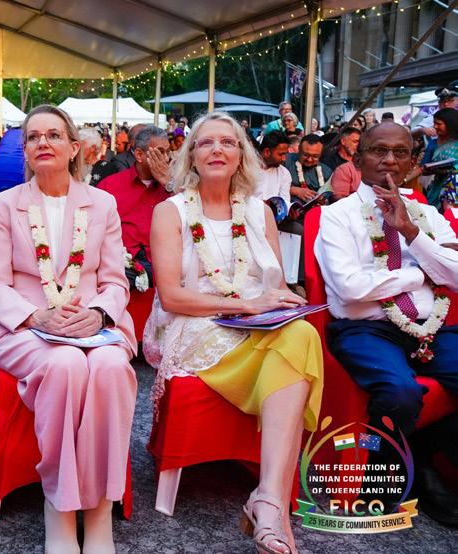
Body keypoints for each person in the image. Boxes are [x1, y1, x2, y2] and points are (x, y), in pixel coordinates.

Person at [145, 111, 323, 554]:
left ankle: (268, 500)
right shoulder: (170, 212)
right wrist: (246, 305)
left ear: (241, 155)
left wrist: (283, 302)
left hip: (257, 323)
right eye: (206, 142)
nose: (217, 150)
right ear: (191, 155)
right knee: (297, 346)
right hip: (196, 325)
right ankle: (272, 506)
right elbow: (172, 297)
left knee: (302, 334)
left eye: (228, 142)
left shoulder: (259, 212)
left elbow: (274, 283)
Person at [0, 105, 137, 554]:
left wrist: (99, 315)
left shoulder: (102, 203)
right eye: (33, 137)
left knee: (110, 367)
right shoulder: (5, 204)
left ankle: (100, 510)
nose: (42, 142)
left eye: (53, 135)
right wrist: (36, 317)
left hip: (92, 325)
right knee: (65, 364)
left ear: (74, 147)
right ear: (25, 151)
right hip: (23, 328)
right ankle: (60, 510)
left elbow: (115, 281)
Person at [316, 122, 458, 526]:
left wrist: (411, 233)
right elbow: (351, 288)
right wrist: (421, 273)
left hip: (431, 326)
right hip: (366, 329)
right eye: (379, 151)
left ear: (413, 162)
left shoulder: (429, 215)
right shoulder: (337, 216)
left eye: (400, 152)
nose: (390, 161)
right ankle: (381, 487)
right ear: (358, 157)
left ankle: (425, 458)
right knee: (400, 392)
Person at [97, 125, 172, 290]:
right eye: (160, 152)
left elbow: (192, 220)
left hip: (165, 273)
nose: (166, 159)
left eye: (168, 152)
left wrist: (168, 183)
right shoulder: (110, 186)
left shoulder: (175, 189)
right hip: (120, 274)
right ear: (139, 154)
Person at [424, 108, 458, 210]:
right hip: (437, 188)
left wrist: (448, 171)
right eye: (434, 123)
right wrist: (432, 170)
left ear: (450, 124)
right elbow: (424, 167)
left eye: (439, 124)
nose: (435, 127)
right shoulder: (433, 144)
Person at [285, 134, 332, 201]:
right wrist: (294, 190)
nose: (309, 159)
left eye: (315, 156)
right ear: (299, 149)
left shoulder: (326, 171)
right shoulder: (285, 161)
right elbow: (273, 186)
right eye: (306, 155)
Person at [255, 131, 293, 208]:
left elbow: (285, 203)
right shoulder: (246, 168)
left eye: (285, 154)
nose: (284, 159)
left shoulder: (284, 173)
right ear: (267, 152)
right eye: (281, 154)